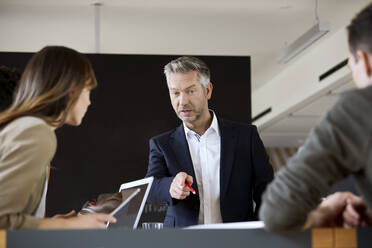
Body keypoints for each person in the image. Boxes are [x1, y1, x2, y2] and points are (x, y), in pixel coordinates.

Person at [259, 3, 372, 232]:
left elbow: (278, 211)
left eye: (352, 64)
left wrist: (325, 212)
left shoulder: (361, 107)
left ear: (365, 61)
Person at [146, 56, 274, 228]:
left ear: (207, 90)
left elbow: (266, 191)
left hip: (237, 241)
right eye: (175, 93)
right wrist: (171, 186)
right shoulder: (162, 144)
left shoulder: (246, 136)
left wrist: (259, 234)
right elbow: (151, 188)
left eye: (190, 91)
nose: (182, 101)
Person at [0, 46, 116, 229]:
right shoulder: (36, 132)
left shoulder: (25, 127)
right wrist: (68, 226)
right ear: (72, 90)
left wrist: (54, 223)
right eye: (87, 91)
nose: (89, 101)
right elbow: (2, 221)